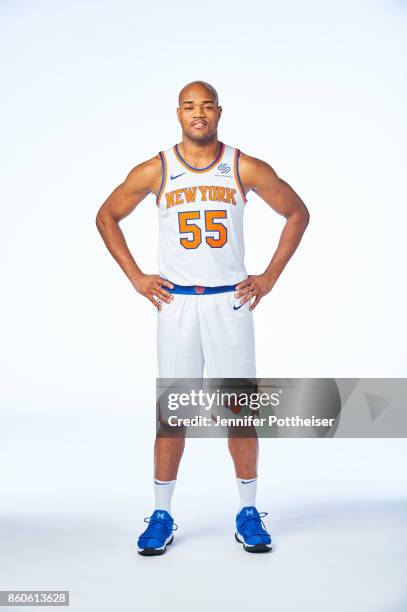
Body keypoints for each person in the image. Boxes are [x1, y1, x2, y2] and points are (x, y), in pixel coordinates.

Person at [96, 80, 310, 555]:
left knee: (239, 411)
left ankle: (249, 510)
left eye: (207, 106)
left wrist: (270, 276)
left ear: (219, 112)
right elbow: (106, 215)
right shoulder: (156, 170)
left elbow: (296, 212)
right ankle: (162, 513)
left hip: (228, 302)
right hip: (176, 304)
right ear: (178, 114)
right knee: (174, 414)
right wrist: (135, 276)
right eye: (190, 107)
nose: (199, 114)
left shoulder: (243, 166)